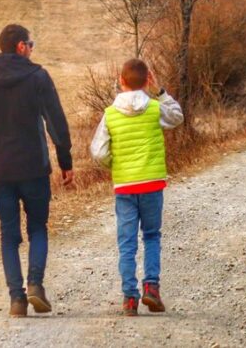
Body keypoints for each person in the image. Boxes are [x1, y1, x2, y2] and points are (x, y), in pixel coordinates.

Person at [0, 24, 74, 317]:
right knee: (38, 228)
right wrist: (65, 161)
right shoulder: (38, 77)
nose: (32, 49)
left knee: (8, 234)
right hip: (34, 167)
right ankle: (35, 285)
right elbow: (56, 121)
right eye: (31, 44)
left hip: (0, 170)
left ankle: (17, 300)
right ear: (20, 46)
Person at [89, 58, 184, 316]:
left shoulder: (110, 114)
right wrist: (161, 92)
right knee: (152, 236)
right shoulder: (154, 108)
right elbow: (177, 116)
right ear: (147, 81)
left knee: (127, 242)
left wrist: (114, 164)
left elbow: (97, 151)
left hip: (125, 186)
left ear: (121, 81)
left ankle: (129, 298)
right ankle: (151, 288)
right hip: (152, 183)